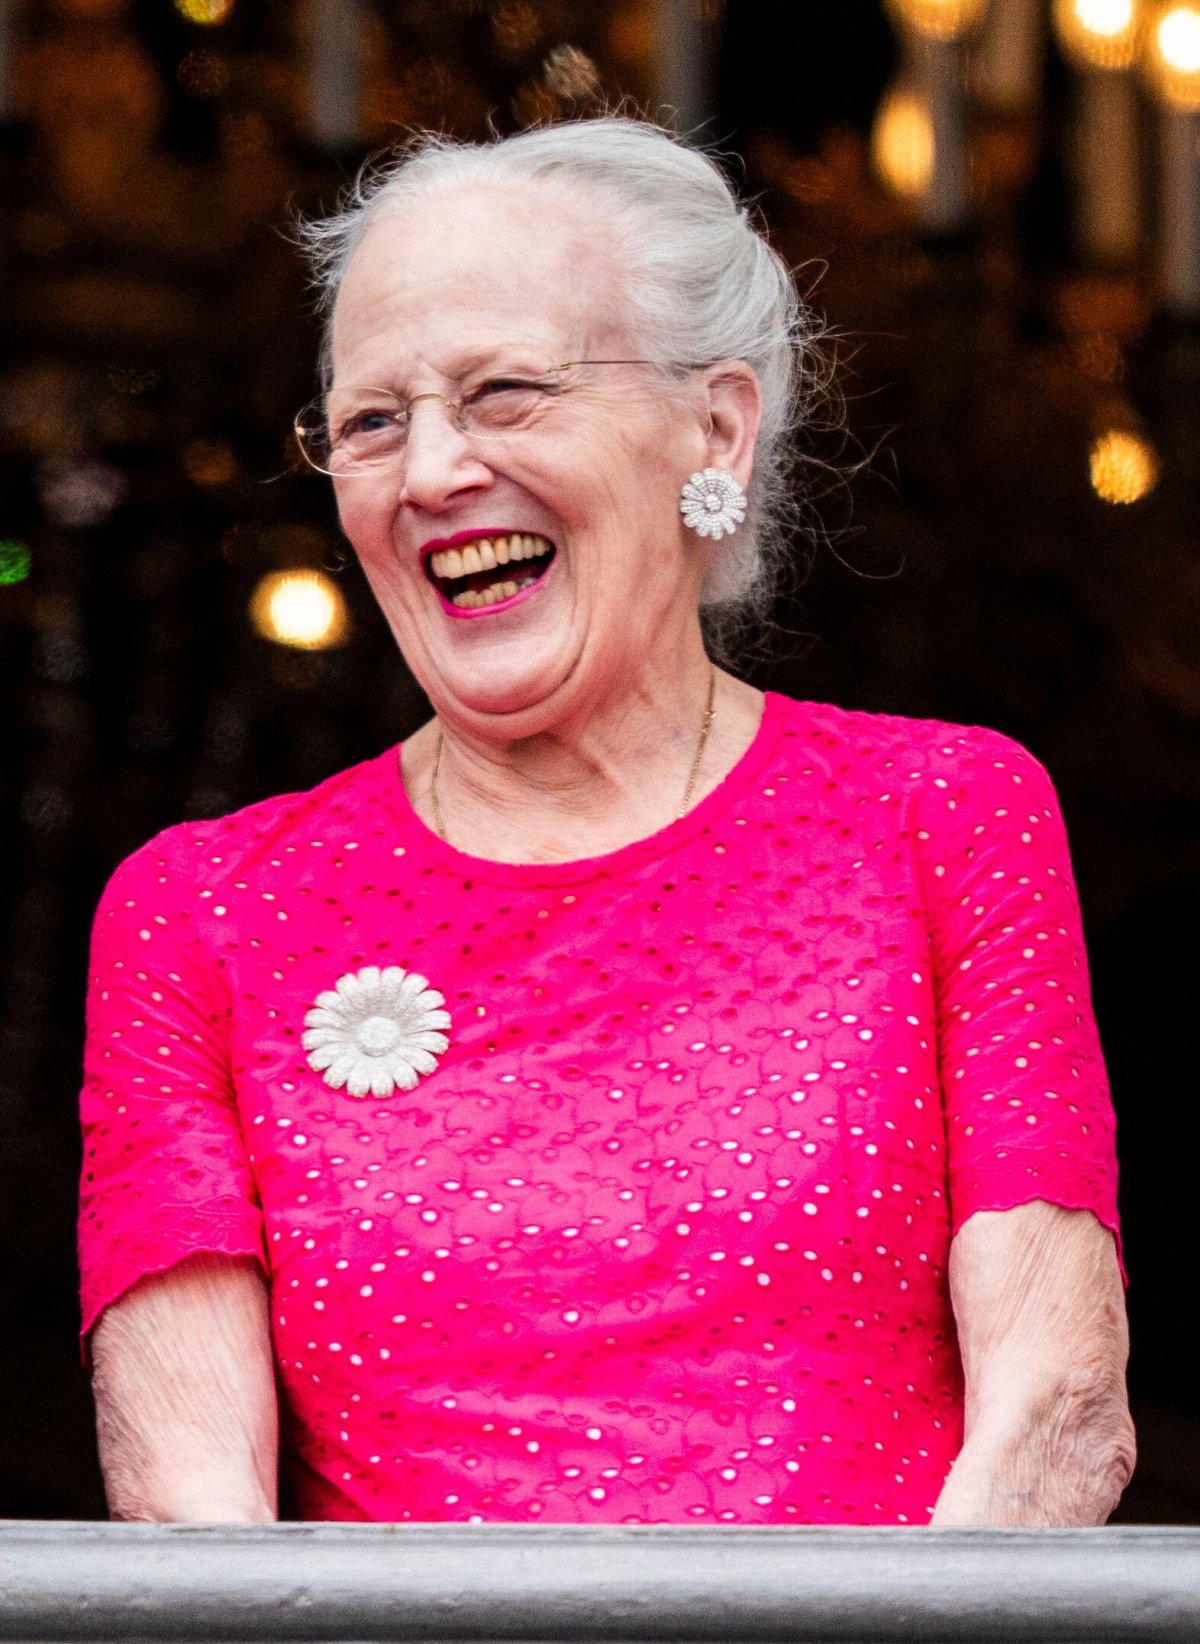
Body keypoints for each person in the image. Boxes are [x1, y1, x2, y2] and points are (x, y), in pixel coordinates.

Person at [79, 117, 1134, 1527]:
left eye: (507, 392)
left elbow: (1055, 1421)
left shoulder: (944, 817)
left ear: (715, 426)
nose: (431, 472)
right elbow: (193, 1515)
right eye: (373, 421)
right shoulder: (200, 912)